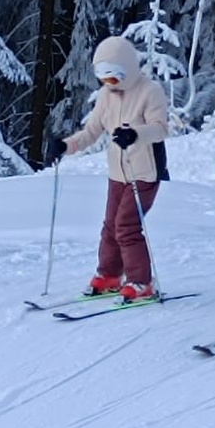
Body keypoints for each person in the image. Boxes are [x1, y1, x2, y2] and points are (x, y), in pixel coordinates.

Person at [46, 35, 169, 300]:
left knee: (126, 225)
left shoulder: (150, 91)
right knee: (111, 226)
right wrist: (65, 146)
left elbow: (160, 129)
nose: (109, 84)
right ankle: (110, 275)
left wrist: (134, 134)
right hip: (117, 174)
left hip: (144, 173)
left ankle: (141, 282)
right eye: (104, 78)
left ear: (128, 69)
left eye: (114, 78)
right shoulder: (106, 96)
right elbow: (91, 131)